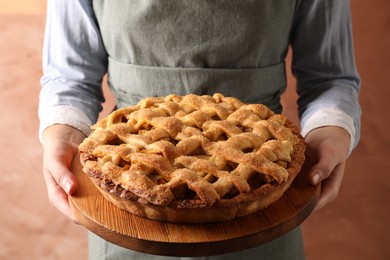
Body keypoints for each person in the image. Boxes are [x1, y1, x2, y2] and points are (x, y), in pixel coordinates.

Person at [39, 0, 361, 259]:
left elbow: (329, 78)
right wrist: (63, 133)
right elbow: (70, 77)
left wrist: (329, 130)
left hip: (259, 184)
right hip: (131, 180)